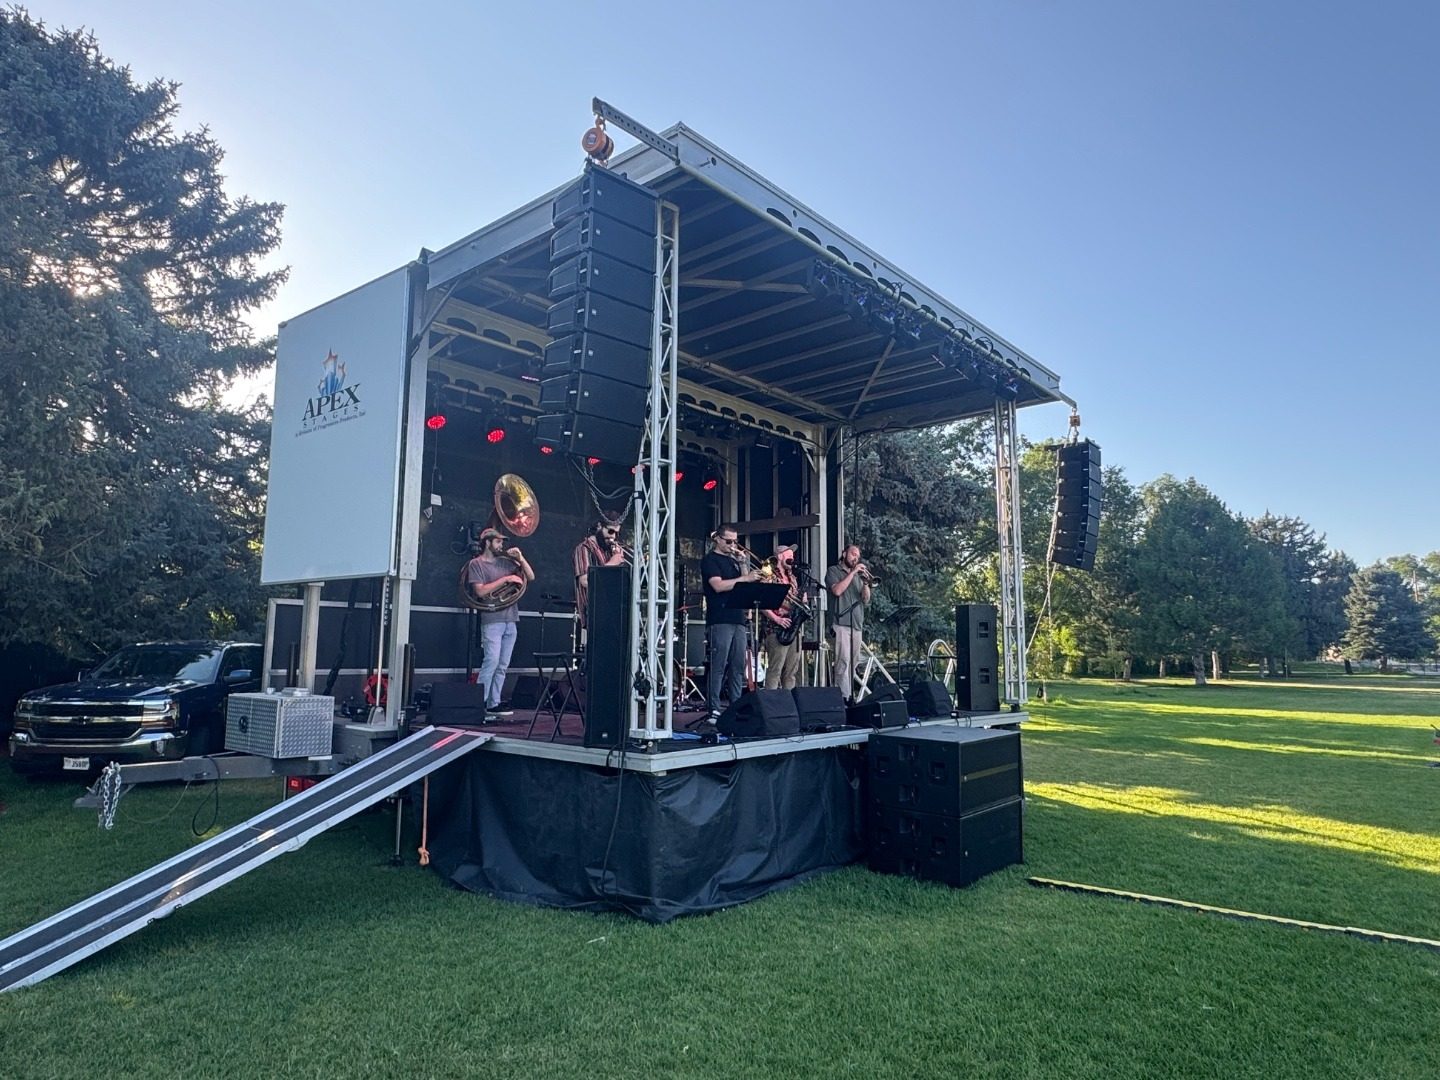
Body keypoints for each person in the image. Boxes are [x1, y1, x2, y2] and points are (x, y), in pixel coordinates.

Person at [464, 527, 534, 716]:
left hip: (511, 618)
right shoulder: (476, 564)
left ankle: (493, 703)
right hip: (492, 619)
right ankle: (478, 704)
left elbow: (530, 576)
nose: (501, 545)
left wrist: (520, 558)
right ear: (487, 542)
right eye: (498, 542)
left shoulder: (506, 562)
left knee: (503, 665)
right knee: (491, 662)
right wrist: (506, 579)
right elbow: (480, 592)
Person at [700, 524, 761, 723]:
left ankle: (736, 705)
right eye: (728, 541)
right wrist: (745, 577)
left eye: (735, 541)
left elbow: (745, 586)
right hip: (720, 617)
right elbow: (718, 586)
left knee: (737, 665)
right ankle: (714, 709)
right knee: (719, 665)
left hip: (738, 618)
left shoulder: (734, 561)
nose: (732, 545)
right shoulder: (710, 560)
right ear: (717, 538)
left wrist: (743, 565)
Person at [826, 542, 872, 702]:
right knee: (842, 664)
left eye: (858, 557)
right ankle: (842, 699)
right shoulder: (833, 571)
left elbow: (865, 599)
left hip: (857, 624)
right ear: (844, 553)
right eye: (853, 554)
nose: (855, 558)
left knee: (852, 664)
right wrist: (852, 573)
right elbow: (837, 591)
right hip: (840, 623)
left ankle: (850, 697)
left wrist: (866, 583)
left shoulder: (859, 577)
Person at [761, 545, 803, 690]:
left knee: (791, 672)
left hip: (792, 627)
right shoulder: (769, 574)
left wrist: (802, 601)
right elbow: (762, 603)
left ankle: (789, 705)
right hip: (775, 628)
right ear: (779, 556)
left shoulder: (792, 578)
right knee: (775, 670)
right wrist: (777, 619)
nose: (792, 556)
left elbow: (794, 603)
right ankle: (771, 706)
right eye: (789, 554)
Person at [572, 518, 626, 629]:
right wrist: (612, 563)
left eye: (617, 533)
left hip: (611, 613)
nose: (614, 537)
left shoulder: (608, 550)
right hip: (594, 614)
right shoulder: (584, 548)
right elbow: (585, 581)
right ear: (599, 526)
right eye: (610, 531)